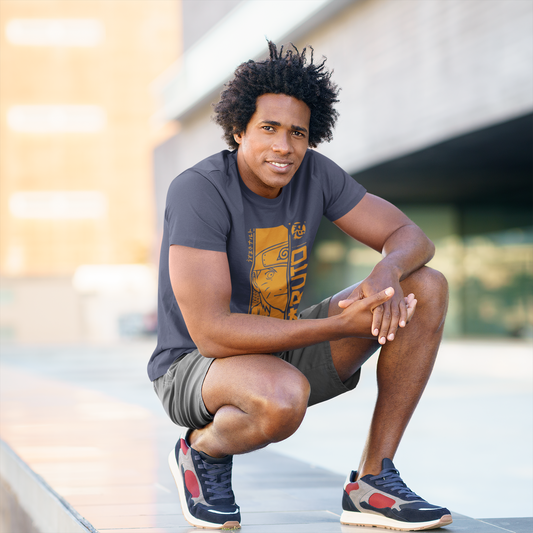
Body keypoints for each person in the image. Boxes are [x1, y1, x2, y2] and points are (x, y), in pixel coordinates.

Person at [148, 41, 452, 532]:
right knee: (282, 400)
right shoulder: (198, 190)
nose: (284, 147)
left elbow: (412, 237)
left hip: (280, 341)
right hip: (196, 364)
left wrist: (388, 271)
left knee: (427, 286)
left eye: (298, 133)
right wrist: (339, 326)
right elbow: (212, 333)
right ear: (239, 130)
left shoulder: (315, 174)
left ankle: (372, 481)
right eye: (268, 128)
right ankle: (202, 450)